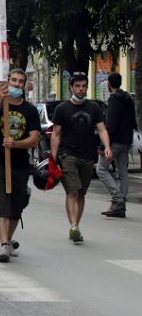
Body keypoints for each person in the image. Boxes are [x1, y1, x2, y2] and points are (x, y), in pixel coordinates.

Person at [0, 69, 40, 262]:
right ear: (8, 82)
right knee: (1, 203)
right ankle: (3, 244)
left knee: (16, 205)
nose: (16, 85)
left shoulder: (30, 110)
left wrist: (16, 144)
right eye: (13, 81)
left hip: (20, 164)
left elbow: (34, 138)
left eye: (20, 82)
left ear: (24, 85)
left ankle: (7, 240)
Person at [50, 72, 112, 244]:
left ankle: (76, 224)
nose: (81, 89)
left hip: (88, 156)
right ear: (71, 87)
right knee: (72, 191)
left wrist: (107, 147)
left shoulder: (94, 108)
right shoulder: (62, 109)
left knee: (81, 194)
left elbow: (102, 129)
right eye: (77, 86)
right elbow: (56, 134)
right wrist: (53, 158)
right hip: (68, 155)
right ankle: (74, 226)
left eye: (84, 86)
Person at [98, 72, 136, 218]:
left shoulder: (114, 99)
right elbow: (133, 121)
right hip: (126, 141)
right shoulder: (128, 98)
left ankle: (118, 200)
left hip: (114, 142)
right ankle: (121, 204)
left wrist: (103, 146)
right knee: (123, 173)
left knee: (102, 169)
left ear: (109, 83)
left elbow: (111, 125)